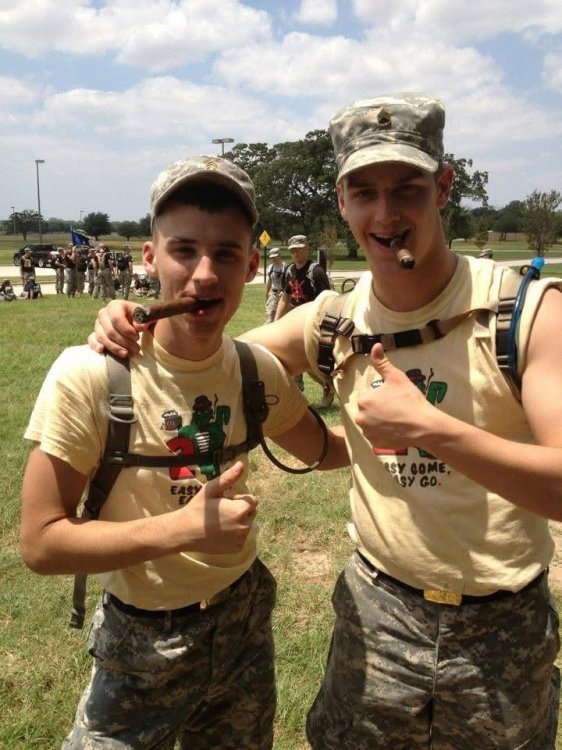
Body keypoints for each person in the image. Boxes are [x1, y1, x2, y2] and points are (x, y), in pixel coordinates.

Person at [90, 94, 562, 749]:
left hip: (503, 629)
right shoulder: (333, 320)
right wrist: (131, 322)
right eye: (364, 192)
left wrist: (430, 429)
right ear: (342, 201)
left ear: (443, 188)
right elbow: (215, 362)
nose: (386, 214)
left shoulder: (523, 312)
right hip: (379, 614)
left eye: (407, 188)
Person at [21, 154, 348, 750]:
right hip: (139, 639)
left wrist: (417, 431)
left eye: (225, 254)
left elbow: (323, 448)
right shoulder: (91, 375)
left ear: (252, 266)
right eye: (184, 250)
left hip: (243, 625)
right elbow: (41, 543)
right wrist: (183, 528)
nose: (204, 274)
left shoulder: (256, 371)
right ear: (150, 256)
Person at [275, 234, 334, 407]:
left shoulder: (316, 272)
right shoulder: (290, 271)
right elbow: (285, 297)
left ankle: (328, 385)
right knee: (290, 356)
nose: (296, 254)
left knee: (311, 363)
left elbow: (328, 299)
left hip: (312, 322)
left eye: (299, 250)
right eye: (293, 251)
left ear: (307, 249)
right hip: (295, 321)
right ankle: (296, 389)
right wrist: (276, 322)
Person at [264, 247, 286, 323]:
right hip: (273, 294)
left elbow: (288, 282)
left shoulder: (285, 267)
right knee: (270, 315)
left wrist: (284, 291)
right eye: (272, 257)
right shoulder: (271, 267)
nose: (273, 259)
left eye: (274, 257)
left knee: (282, 317)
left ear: (279, 255)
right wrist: (266, 295)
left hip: (283, 295)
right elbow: (269, 281)